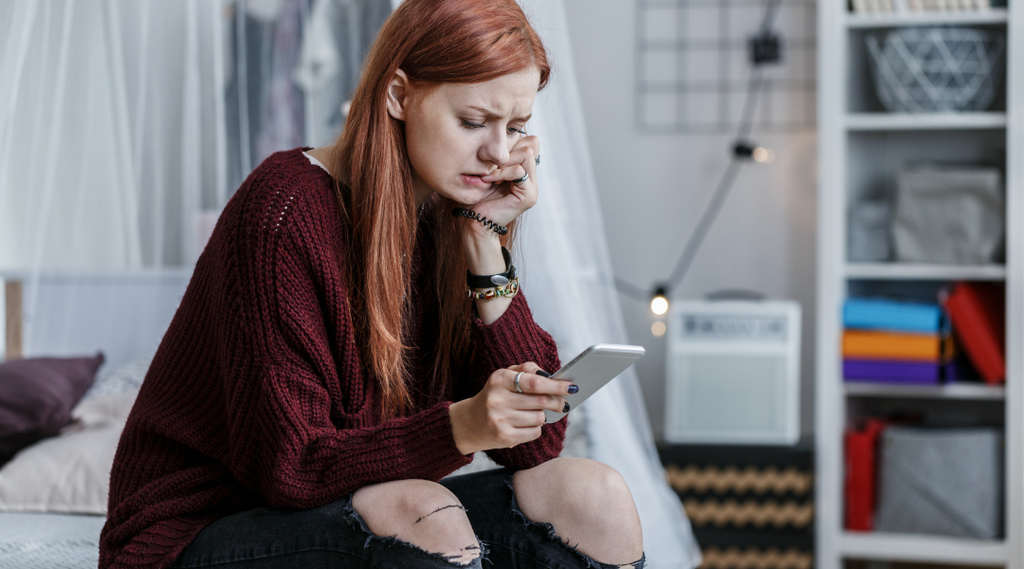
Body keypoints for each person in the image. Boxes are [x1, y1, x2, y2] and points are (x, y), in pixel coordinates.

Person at [99, 1, 645, 567]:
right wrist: (463, 425)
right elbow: (294, 467)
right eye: (474, 121)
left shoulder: (451, 217)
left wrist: (486, 249)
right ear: (398, 95)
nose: (499, 154)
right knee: (423, 510)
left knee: (591, 496)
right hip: (199, 530)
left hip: (360, 506)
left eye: (516, 128)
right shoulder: (283, 211)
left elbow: (537, 447)